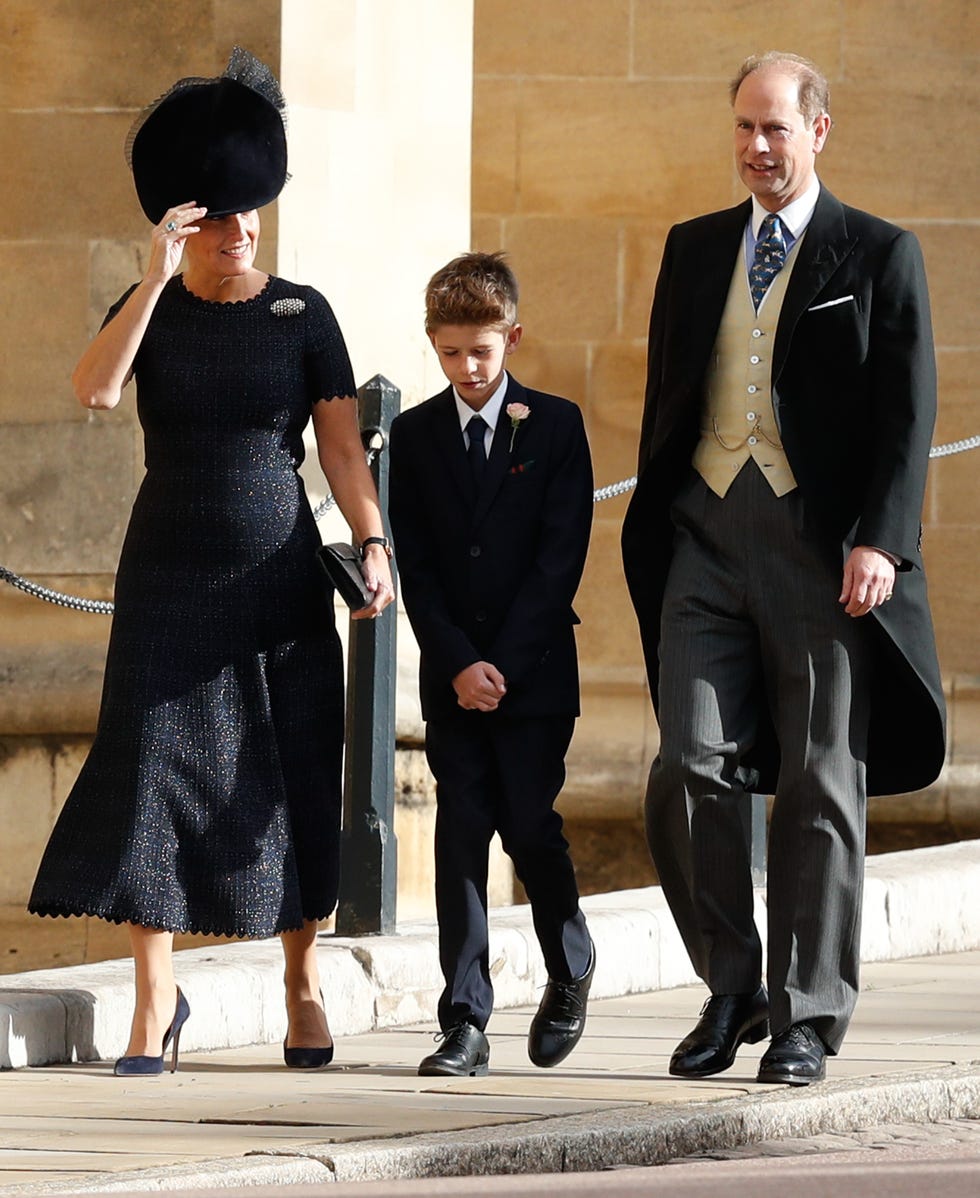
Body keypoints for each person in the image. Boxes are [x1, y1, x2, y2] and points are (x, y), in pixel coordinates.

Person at [28, 48, 394, 1076]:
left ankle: (300, 979)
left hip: (276, 581)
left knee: (286, 774)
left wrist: (372, 542)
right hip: (168, 576)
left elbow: (338, 450)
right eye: (223, 218)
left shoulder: (303, 313)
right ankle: (155, 999)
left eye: (253, 215)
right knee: (149, 773)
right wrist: (149, 281)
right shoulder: (155, 304)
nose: (242, 234)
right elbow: (96, 391)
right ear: (188, 220)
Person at [621, 51, 945, 1086]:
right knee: (685, 768)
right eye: (743, 130)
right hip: (704, 538)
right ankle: (732, 987)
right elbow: (673, 397)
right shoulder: (692, 248)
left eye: (775, 130)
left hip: (823, 548)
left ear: (817, 132)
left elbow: (907, 417)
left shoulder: (877, 253)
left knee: (817, 784)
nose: (756, 149)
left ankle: (806, 1015)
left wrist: (877, 540)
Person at [388, 252, 595, 1077]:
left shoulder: (556, 426)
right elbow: (419, 564)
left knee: (530, 824)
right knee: (462, 828)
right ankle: (465, 1019)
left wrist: (501, 664)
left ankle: (570, 960)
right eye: (449, 353)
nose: (467, 369)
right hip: (454, 675)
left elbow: (560, 558)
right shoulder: (413, 434)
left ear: (512, 337)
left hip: (534, 673)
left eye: (481, 350)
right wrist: (458, 661)